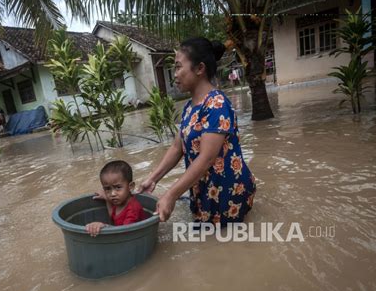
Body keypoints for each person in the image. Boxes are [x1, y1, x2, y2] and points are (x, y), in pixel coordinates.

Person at [138, 37, 256, 226]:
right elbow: (178, 147)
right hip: (203, 190)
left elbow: (206, 158)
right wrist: (152, 179)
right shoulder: (189, 107)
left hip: (227, 193)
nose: (174, 74)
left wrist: (171, 194)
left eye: (178, 67)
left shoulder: (216, 105)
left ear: (200, 69)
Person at [85, 160, 145, 236]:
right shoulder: (119, 201)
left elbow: (125, 233)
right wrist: (107, 199)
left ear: (131, 186)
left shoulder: (133, 208)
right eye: (108, 189)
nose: (112, 194)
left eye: (118, 187)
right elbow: (113, 216)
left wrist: (104, 226)